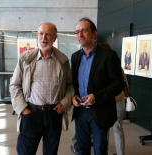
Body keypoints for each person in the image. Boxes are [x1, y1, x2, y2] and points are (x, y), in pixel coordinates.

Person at [9, 22, 74, 155]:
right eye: (41, 33)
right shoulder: (25, 59)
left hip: (54, 114)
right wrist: (23, 109)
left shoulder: (63, 61)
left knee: (51, 152)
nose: (44, 37)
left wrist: (65, 102)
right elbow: (14, 85)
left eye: (48, 34)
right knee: (25, 152)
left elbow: (70, 85)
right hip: (31, 113)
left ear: (55, 37)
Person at [71, 17, 125, 155]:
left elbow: (119, 84)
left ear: (94, 33)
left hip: (100, 111)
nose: (80, 35)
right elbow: (73, 83)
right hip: (81, 112)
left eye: (84, 31)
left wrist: (96, 97)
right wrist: (73, 96)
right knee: (81, 150)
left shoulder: (108, 55)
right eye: (77, 32)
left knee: (100, 150)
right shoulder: (75, 57)